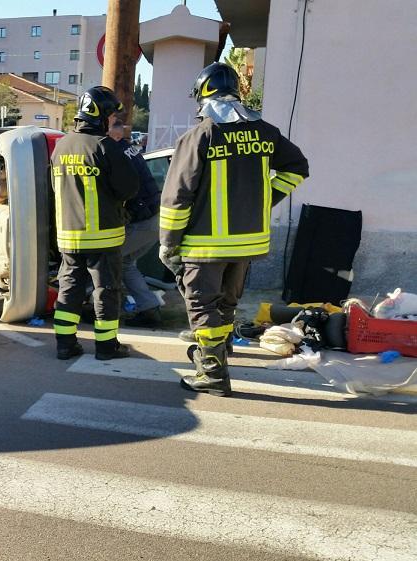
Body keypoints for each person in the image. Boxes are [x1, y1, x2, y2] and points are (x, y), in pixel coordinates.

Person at [159, 62, 309, 396]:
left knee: (201, 306)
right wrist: (265, 199)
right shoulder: (264, 132)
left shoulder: (200, 136)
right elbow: (298, 166)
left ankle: (212, 373)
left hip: (205, 246)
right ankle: (220, 350)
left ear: (202, 95)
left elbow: (177, 197)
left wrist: (168, 245)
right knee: (226, 302)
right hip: (246, 244)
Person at [51, 86, 140, 361]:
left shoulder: (60, 147)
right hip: (103, 237)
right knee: (106, 292)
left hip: (68, 237)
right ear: (101, 117)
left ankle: (65, 345)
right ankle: (105, 347)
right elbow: (129, 189)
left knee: (69, 290)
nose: (113, 121)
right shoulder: (105, 147)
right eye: (111, 116)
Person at [106, 114, 162, 328]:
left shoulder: (118, 153)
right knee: (125, 262)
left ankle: (105, 309)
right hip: (152, 219)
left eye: (106, 130)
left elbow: (120, 190)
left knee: (109, 261)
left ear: (116, 133)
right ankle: (148, 309)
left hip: (143, 221)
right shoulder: (131, 150)